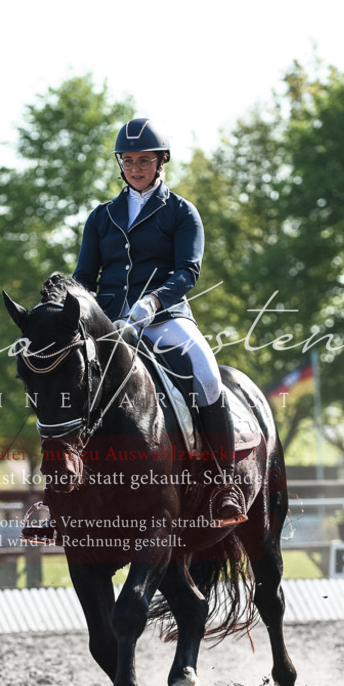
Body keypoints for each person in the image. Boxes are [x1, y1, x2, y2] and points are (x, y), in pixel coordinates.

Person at [72, 117, 246, 527]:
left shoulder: (181, 212)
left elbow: (188, 271)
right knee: (64, 381)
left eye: (144, 160)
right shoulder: (101, 217)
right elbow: (84, 276)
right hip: (110, 323)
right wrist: (75, 308)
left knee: (205, 372)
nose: (135, 168)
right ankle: (56, 494)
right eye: (128, 160)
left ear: (161, 160)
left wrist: (152, 302)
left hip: (164, 318)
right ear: (120, 165)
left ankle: (224, 482)